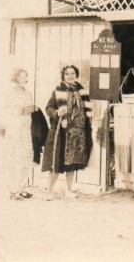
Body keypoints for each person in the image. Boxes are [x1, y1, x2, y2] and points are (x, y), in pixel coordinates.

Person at [42, 65, 93, 200]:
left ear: (76, 75)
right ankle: (50, 191)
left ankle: (69, 190)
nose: (70, 76)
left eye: (73, 73)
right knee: (56, 162)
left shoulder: (81, 91)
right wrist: (57, 112)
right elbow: (48, 108)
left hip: (78, 133)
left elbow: (86, 110)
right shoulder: (58, 90)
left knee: (72, 163)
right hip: (63, 133)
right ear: (63, 76)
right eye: (67, 74)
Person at [2, 68, 38, 200]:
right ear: (15, 78)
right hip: (15, 129)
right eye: (20, 77)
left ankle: (20, 187)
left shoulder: (27, 92)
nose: (23, 79)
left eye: (25, 76)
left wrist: (33, 108)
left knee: (27, 159)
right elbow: (8, 109)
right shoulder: (10, 92)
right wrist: (22, 110)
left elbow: (29, 108)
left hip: (27, 129)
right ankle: (13, 190)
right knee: (15, 159)